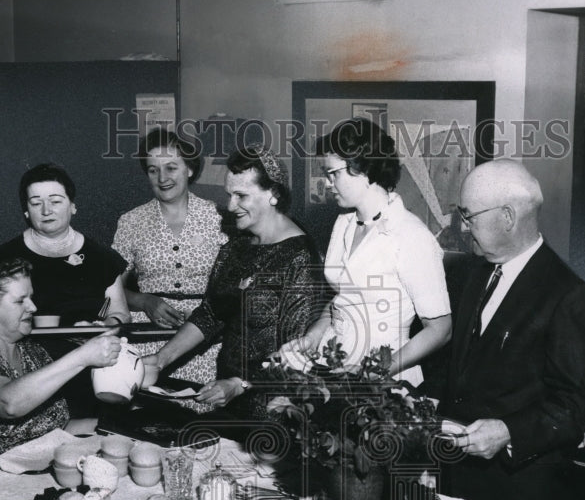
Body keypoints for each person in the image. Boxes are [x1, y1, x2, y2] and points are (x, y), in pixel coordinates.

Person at [439, 160, 585, 500]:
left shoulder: (570, 299)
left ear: (507, 216)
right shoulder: (469, 274)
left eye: (468, 216)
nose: (463, 227)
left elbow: (578, 403)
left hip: (522, 497)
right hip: (457, 483)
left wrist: (508, 431)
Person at [143, 145, 324, 419]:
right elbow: (211, 314)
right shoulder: (236, 246)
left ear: (273, 194)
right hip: (228, 398)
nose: (230, 206)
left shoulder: (300, 257)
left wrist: (241, 384)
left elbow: (296, 352)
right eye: (229, 195)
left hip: (275, 407)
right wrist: (161, 359)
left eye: (241, 196)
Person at [278, 117, 451, 387]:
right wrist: (312, 337)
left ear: (363, 167)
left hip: (385, 379)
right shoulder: (343, 223)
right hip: (333, 366)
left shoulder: (411, 236)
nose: (327, 183)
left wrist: (375, 372)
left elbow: (440, 330)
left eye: (333, 173)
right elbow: (342, 299)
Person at [0, 257, 122, 470]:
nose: (33, 307)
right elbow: (9, 404)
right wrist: (82, 356)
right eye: (21, 301)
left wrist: (116, 429)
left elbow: (56, 428)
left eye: (31, 298)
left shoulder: (32, 351)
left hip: (15, 473)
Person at [112, 127, 227, 385]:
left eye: (171, 168)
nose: (162, 177)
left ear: (190, 169)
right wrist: (143, 301)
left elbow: (232, 291)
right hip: (146, 342)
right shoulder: (131, 221)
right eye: (153, 170)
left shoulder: (219, 218)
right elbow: (110, 289)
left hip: (207, 343)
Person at [0, 162, 130, 327]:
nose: (46, 210)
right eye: (36, 203)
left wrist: (101, 327)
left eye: (55, 201)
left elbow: (121, 314)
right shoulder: (5, 256)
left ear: (72, 206)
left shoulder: (101, 257)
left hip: (94, 346)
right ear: (26, 211)